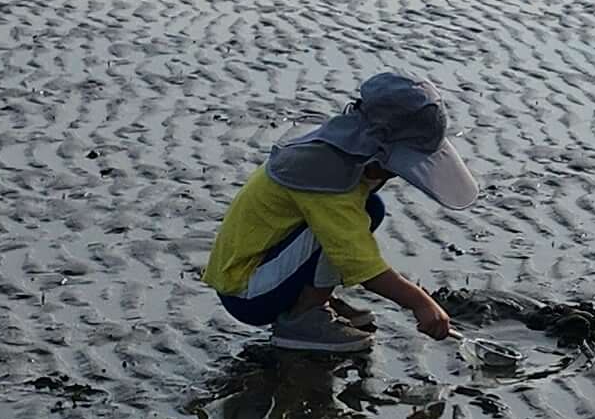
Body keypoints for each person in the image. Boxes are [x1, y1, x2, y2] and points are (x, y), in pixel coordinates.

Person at [202, 71, 478, 355]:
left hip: (266, 268)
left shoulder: (340, 152)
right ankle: (301, 319)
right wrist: (420, 303)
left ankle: (311, 301)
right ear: (376, 149)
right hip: (247, 292)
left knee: (370, 209)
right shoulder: (325, 177)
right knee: (345, 229)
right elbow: (359, 261)